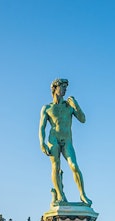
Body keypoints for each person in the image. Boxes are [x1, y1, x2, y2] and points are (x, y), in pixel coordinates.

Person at [39, 78, 91, 206]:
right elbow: (41, 127)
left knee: (74, 165)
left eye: (66, 88)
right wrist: (42, 142)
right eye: (62, 87)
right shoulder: (47, 108)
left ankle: (83, 195)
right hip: (53, 139)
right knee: (56, 167)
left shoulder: (69, 106)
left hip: (67, 140)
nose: (65, 90)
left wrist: (76, 105)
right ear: (55, 88)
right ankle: (60, 195)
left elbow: (83, 119)